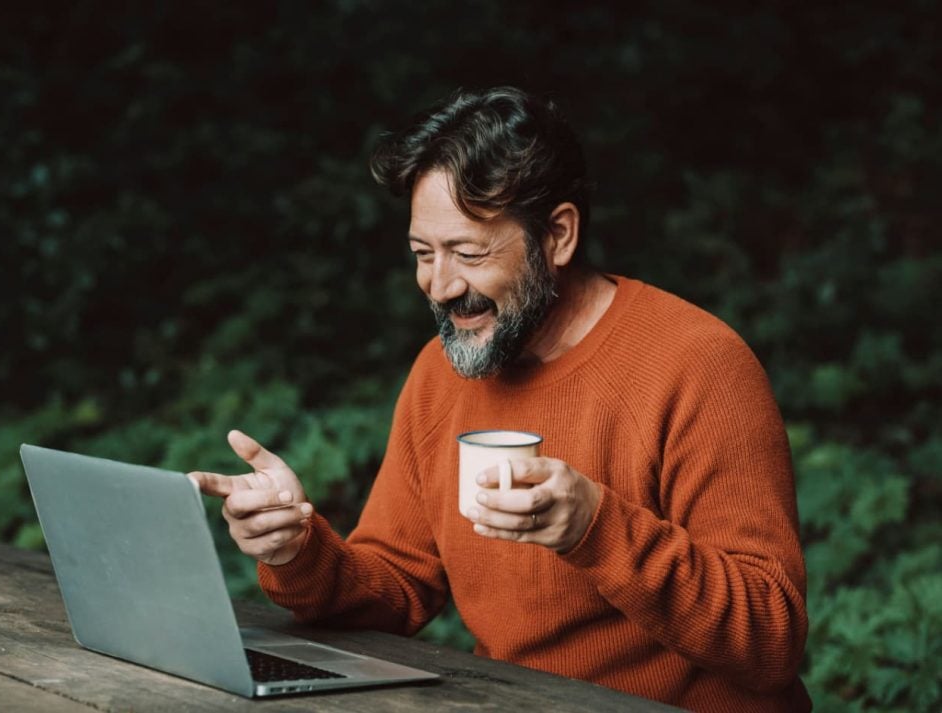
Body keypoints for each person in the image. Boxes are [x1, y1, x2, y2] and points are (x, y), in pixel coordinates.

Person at [190, 87, 811, 712]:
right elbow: (397, 585)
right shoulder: (441, 372)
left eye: (467, 252)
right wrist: (297, 548)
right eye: (421, 254)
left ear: (558, 237)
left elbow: (770, 641)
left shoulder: (698, 363)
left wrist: (596, 525)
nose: (439, 284)